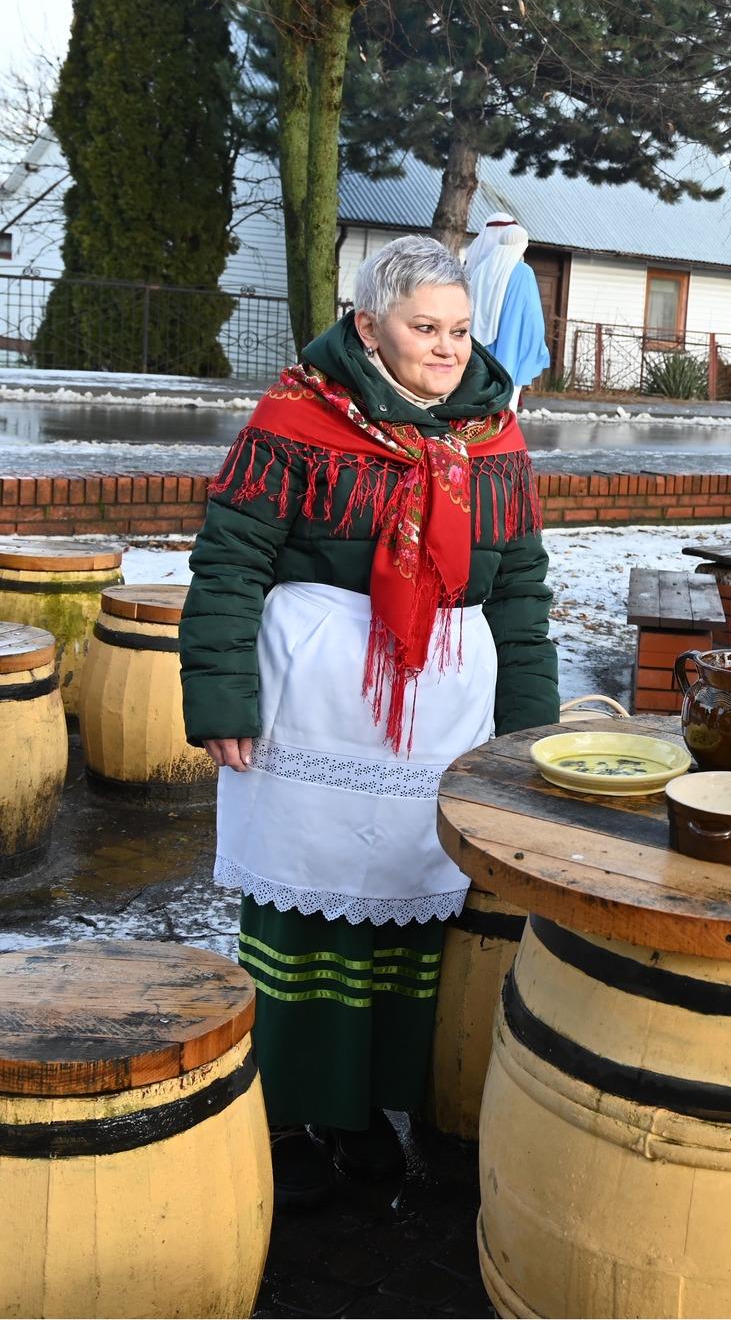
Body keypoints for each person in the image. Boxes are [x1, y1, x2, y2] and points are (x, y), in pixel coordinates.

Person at [180, 235, 559, 1207]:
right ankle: (293, 1106)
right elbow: (230, 560)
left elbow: (521, 594)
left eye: (459, 329)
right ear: (367, 325)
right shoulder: (295, 419)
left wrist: (531, 733)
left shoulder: (494, 438)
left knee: (414, 899)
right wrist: (221, 695)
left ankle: (376, 1100)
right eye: (423, 327)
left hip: (444, 709)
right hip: (316, 705)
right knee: (307, 907)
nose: (447, 348)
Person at [465, 212, 552, 409]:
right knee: (505, 410)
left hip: (479, 353)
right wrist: (536, 348)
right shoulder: (522, 272)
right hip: (510, 352)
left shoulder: (481, 268)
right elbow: (532, 319)